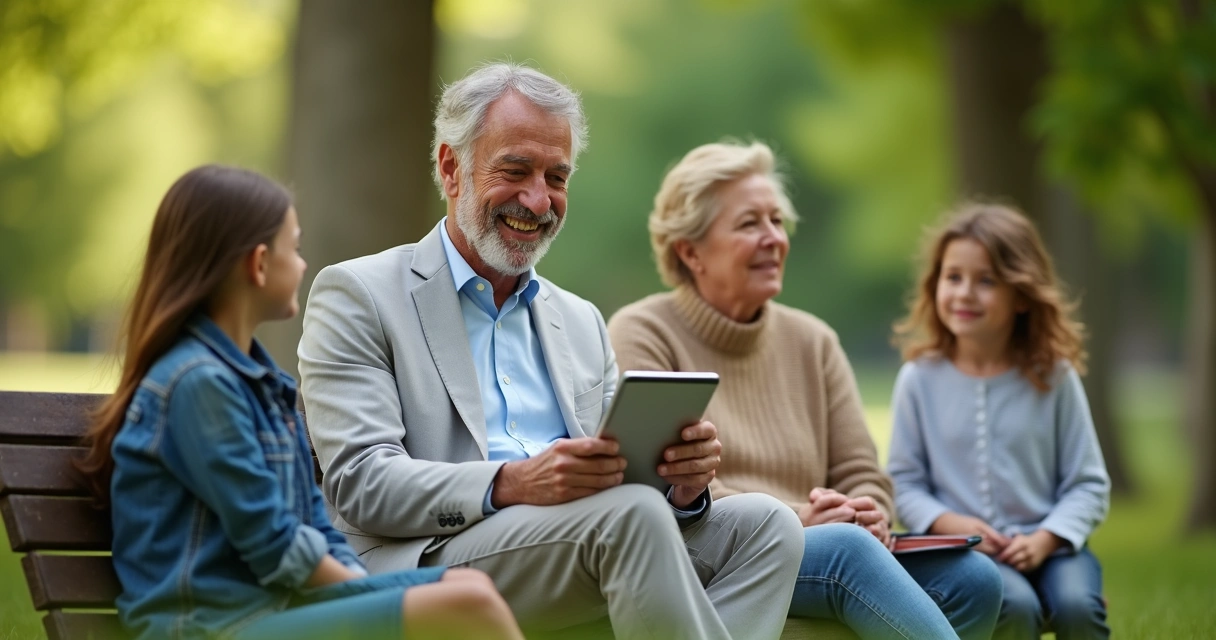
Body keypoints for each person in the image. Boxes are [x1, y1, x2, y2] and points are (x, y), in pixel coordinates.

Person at [297, 63, 805, 640]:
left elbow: (625, 482)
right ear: (450, 168)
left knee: (769, 524)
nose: (538, 201)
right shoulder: (358, 293)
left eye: (557, 178)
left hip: (590, 536)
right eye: (515, 170)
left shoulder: (580, 319)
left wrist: (679, 486)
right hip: (429, 555)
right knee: (629, 518)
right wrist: (514, 482)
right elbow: (362, 485)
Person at [77, 165, 523, 640]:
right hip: (209, 626)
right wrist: (369, 595)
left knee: (466, 584)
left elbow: (316, 525)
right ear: (260, 264)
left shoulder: (262, 383)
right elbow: (274, 542)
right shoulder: (197, 386)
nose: (304, 264)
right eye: (294, 248)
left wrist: (367, 590)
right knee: (466, 602)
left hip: (275, 613)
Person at [608, 141, 1004, 640]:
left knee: (974, 580)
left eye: (777, 221)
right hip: (712, 547)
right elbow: (660, 482)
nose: (774, 238)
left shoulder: (813, 340)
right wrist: (801, 518)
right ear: (691, 251)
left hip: (831, 542)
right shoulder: (643, 332)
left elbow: (862, 470)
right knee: (847, 551)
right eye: (750, 224)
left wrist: (867, 510)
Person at [887, 203, 1111, 639]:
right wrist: (954, 524)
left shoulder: (1055, 377)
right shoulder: (919, 379)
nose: (965, 293)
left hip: (1054, 548)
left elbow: (1088, 483)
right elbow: (903, 483)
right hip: (968, 555)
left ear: (1023, 295)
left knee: (1076, 607)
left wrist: (1047, 538)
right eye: (953, 277)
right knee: (1015, 607)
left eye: (986, 280)